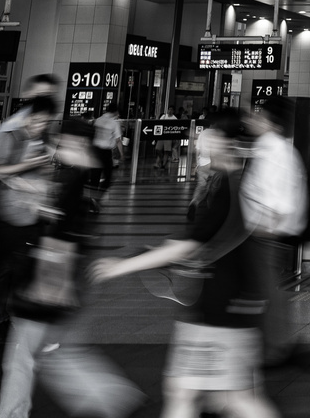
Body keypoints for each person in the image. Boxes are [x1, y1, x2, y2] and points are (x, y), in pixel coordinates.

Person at [95, 112, 280, 418]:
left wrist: (120, 267)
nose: (199, 139)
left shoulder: (226, 188)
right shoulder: (238, 183)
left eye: (206, 133)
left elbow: (190, 244)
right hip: (233, 306)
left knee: (189, 393)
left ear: (223, 141)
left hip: (217, 311)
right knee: (229, 397)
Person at [0, 118, 142, 418]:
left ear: (75, 143)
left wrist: (29, 199)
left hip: (50, 276)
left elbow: (55, 221)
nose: (56, 149)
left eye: (60, 143)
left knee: (23, 356)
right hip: (69, 274)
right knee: (55, 350)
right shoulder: (92, 173)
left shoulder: (72, 177)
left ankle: (15, 413)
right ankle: (110, 394)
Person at [0, 96, 58, 341]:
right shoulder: (11, 138)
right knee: (4, 269)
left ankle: (18, 318)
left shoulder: (45, 140)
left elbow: (45, 175)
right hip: (9, 215)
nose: (40, 126)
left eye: (45, 122)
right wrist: (25, 166)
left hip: (34, 214)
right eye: (37, 120)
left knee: (26, 267)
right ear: (28, 117)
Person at [244, 97, 308, 366]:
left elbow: (278, 203)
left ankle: (275, 347)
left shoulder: (276, 153)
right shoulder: (269, 148)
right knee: (266, 291)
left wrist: (261, 228)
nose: (253, 119)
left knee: (268, 292)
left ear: (271, 123)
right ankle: (271, 344)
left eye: (259, 116)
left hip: (266, 234)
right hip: (263, 232)